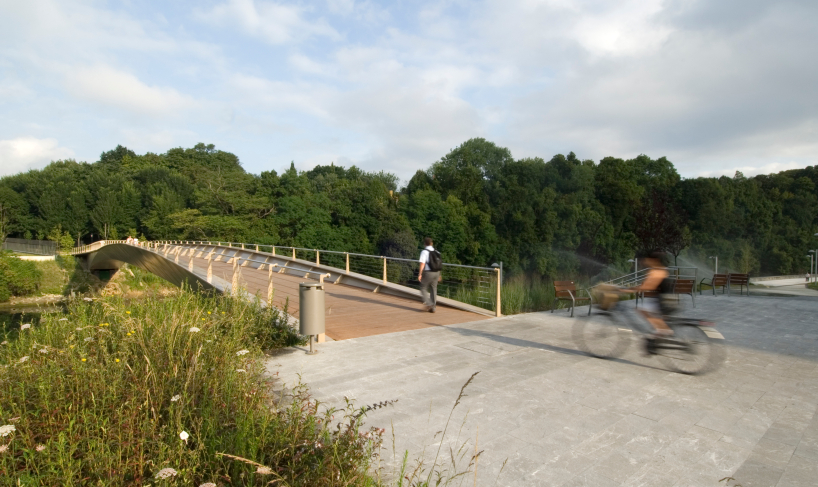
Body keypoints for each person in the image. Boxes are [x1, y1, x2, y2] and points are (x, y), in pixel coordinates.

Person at [626, 252, 674, 339]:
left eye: (648, 259)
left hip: (665, 301)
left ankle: (663, 330)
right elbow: (644, 284)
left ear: (655, 260)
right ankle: (661, 330)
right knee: (645, 309)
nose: (646, 262)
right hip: (664, 300)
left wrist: (627, 290)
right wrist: (629, 289)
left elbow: (647, 286)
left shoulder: (658, 271)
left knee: (643, 309)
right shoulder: (657, 270)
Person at [418, 237, 442, 313]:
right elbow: (439, 264)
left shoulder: (424, 252)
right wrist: (439, 275)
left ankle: (429, 304)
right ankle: (433, 307)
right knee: (433, 288)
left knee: (423, 287)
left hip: (429, 272)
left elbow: (422, 263)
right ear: (431, 243)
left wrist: (420, 274)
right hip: (437, 272)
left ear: (424, 244)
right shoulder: (437, 252)